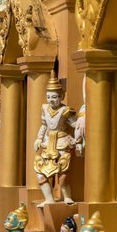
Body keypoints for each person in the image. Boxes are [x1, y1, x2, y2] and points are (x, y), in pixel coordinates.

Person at [33, 73, 79, 205]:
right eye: (48, 97)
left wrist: (78, 138)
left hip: (62, 142)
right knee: (40, 171)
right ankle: (49, 199)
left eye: (54, 97)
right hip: (48, 143)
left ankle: (67, 197)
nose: (51, 100)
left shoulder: (65, 110)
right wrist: (38, 138)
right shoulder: (45, 109)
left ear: (61, 96)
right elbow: (44, 125)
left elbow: (75, 125)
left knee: (64, 170)